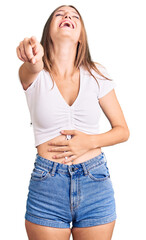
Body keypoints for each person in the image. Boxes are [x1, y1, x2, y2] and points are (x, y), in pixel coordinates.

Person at [16, 4, 130, 240]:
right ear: (48, 32)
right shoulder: (35, 74)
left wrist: (89, 142)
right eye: (60, 14)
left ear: (81, 36)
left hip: (95, 181)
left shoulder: (97, 74)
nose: (67, 16)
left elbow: (123, 131)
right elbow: (32, 65)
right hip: (48, 185)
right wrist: (32, 54)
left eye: (74, 15)